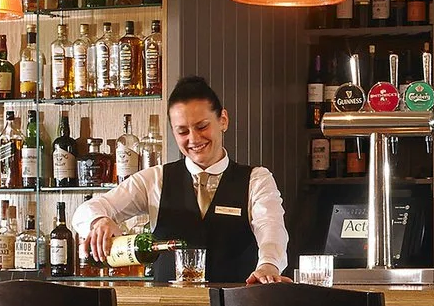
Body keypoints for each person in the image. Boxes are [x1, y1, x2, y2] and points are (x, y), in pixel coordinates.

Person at [75, 76, 287, 283]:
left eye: (202, 126)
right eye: (183, 131)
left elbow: (271, 228)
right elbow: (85, 211)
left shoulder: (256, 180)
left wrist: (268, 265)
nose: (194, 139)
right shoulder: (155, 179)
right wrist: (100, 220)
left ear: (223, 120)